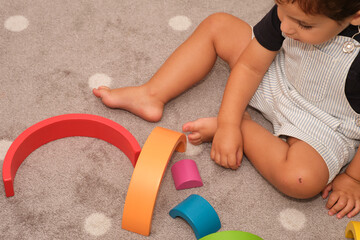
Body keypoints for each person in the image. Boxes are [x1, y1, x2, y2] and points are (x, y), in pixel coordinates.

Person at [93, 0, 360, 219]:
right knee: (219, 25)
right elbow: (250, 67)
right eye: (281, 9)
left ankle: (247, 126)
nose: (286, 27)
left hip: (326, 123)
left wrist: (352, 178)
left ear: (355, 17)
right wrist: (227, 122)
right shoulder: (294, 10)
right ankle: (151, 94)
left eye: (303, 24)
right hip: (280, 75)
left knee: (302, 180)